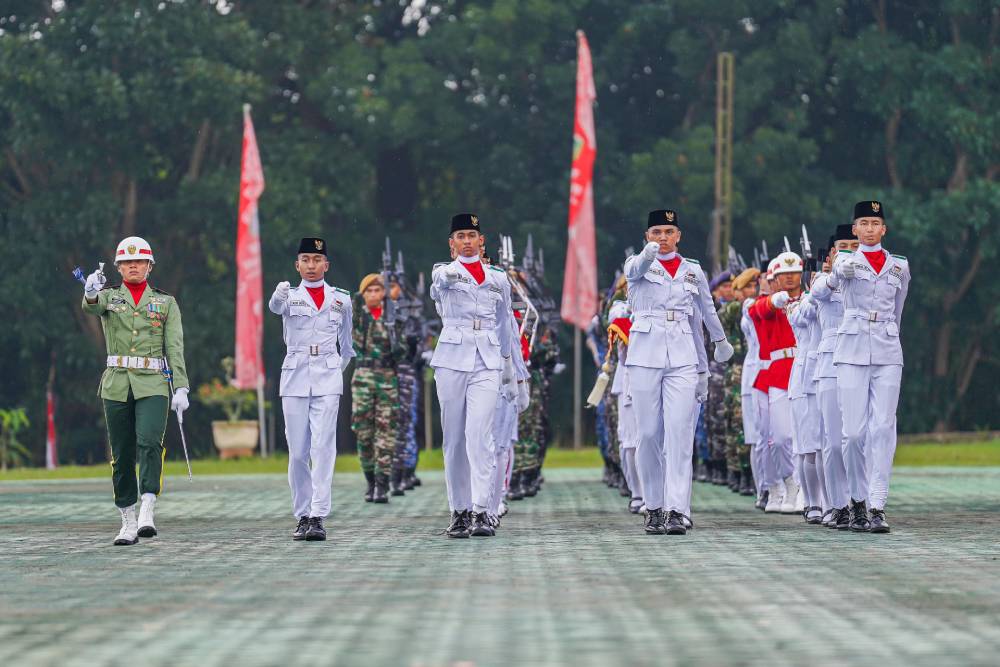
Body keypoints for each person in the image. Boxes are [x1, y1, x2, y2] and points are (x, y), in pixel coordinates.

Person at [624, 209, 733, 535]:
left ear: (679, 235)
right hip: (644, 356)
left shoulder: (692, 271)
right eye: (656, 231)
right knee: (647, 435)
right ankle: (653, 506)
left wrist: (718, 343)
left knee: (680, 434)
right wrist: (648, 254)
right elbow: (635, 269)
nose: (663, 237)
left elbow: (704, 311)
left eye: (669, 231)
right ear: (647, 236)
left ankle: (677, 509)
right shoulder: (637, 265)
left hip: (683, 357)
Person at [82, 236, 190, 546]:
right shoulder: (110, 296)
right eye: (127, 262)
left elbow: (175, 345)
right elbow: (92, 306)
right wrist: (90, 291)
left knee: (149, 442)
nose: (133, 266)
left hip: (153, 381)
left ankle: (147, 508)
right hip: (117, 382)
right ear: (117, 267)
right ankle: (127, 519)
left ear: (149, 266)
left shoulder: (165, 302)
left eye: (139, 261)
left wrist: (181, 385)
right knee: (122, 452)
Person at [429, 213, 516, 538]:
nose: (467, 241)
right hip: (452, 357)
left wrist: (507, 362)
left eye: (472, 236)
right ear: (452, 244)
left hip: (487, 358)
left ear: (482, 241)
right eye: (460, 236)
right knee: (453, 439)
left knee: (480, 435)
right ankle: (460, 510)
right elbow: (437, 289)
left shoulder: (498, 278)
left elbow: (504, 320)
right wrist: (450, 274)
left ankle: (482, 509)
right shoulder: (444, 272)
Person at [269, 237, 354, 542]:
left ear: (326, 265)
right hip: (295, 376)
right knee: (298, 451)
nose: (311, 265)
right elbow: (275, 307)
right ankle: (302, 514)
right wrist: (278, 294)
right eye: (305, 259)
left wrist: (334, 372)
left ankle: (318, 515)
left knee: (323, 447)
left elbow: (347, 345)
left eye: (317, 260)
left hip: (328, 376)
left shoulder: (341, 299)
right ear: (297, 265)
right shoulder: (289, 296)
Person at [832, 201, 909, 533]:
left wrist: (891, 334)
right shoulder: (846, 261)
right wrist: (840, 267)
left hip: (888, 347)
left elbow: (899, 307)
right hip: (851, 348)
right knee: (853, 433)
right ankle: (857, 500)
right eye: (862, 223)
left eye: (874, 223)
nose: (868, 228)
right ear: (855, 229)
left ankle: (876, 504)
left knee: (882, 428)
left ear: (883, 229)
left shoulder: (899, 266)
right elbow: (836, 277)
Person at [810, 225, 860, 529]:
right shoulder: (823, 280)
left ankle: (861, 502)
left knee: (857, 436)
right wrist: (836, 273)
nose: (850, 249)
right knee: (834, 440)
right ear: (831, 253)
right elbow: (817, 293)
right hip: (829, 361)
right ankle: (837, 504)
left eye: (855, 244)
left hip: (860, 356)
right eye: (843, 244)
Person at [749, 254, 802, 514]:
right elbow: (757, 310)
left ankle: (804, 488)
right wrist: (774, 301)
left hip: (805, 368)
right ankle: (784, 483)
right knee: (778, 438)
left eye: (795, 271)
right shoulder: (767, 303)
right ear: (774, 279)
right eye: (783, 274)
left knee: (809, 436)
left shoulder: (809, 297)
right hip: (780, 370)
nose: (790, 277)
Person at [351, 273, 405, 503]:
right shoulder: (357, 316)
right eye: (369, 291)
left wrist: (399, 342)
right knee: (364, 433)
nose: (373, 295)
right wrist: (381, 277)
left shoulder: (393, 318)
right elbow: (352, 300)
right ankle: (370, 481)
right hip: (363, 377)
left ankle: (382, 485)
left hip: (387, 378)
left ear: (384, 293)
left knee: (386, 432)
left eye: (377, 290)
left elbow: (402, 353)